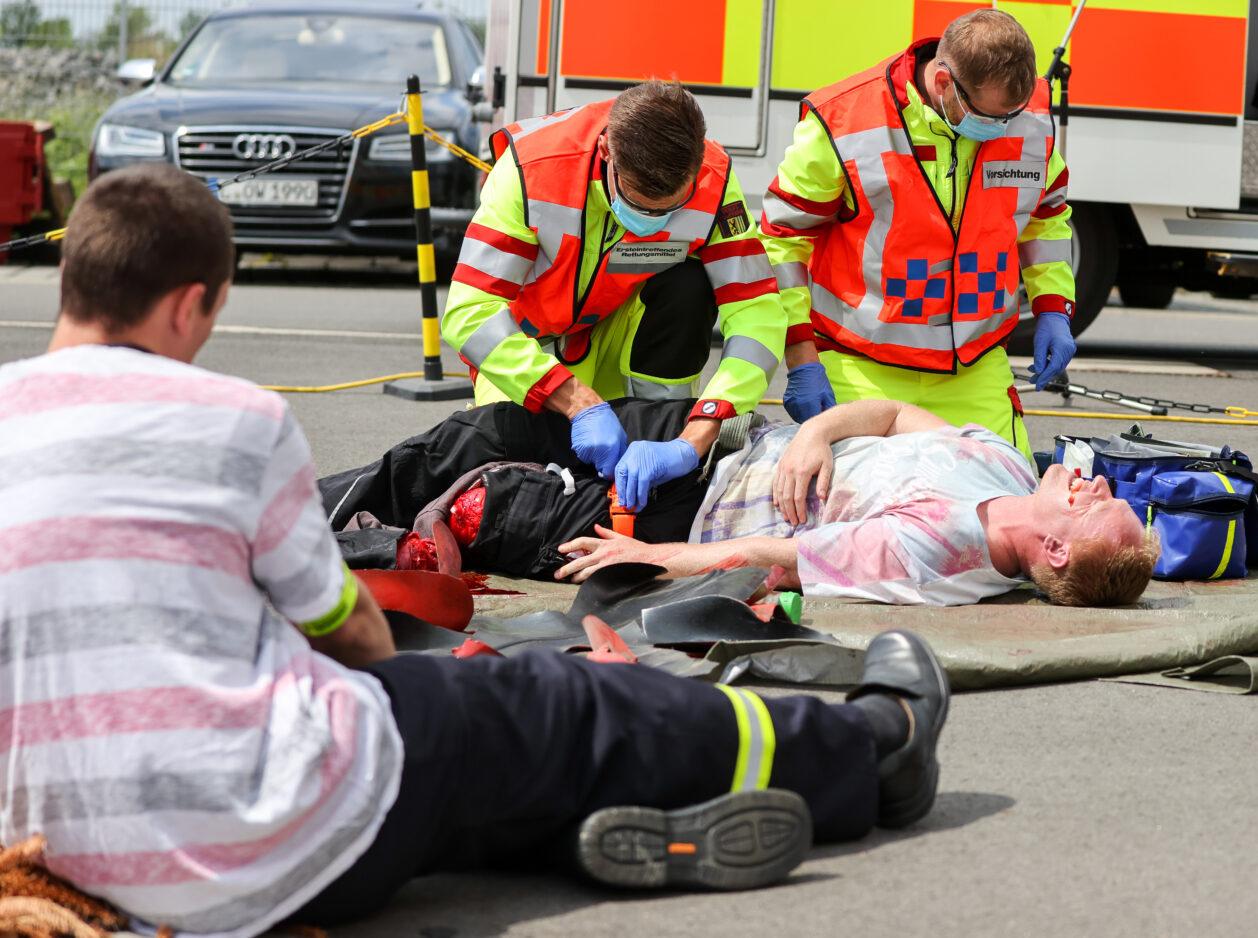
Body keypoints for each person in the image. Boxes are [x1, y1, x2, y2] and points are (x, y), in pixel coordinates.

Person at [0, 163, 952, 937]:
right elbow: (346, 630)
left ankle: (586, 830)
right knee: (545, 704)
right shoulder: (235, 421)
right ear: (190, 305)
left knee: (474, 768)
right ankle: (876, 748)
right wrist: (430, 681)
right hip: (266, 851)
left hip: (49, 848)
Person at [321, 398, 1158, 608]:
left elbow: (771, 560)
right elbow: (895, 416)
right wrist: (816, 435)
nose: (1093, 482)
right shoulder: (1007, 464)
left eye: (1093, 507)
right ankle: (299, 514)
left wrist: (649, 559)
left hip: (682, 516)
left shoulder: (936, 554)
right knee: (484, 431)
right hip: (720, 448)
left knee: (479, 508)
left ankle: (301, 539)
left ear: (1053, 552)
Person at [444, 79, 786, 512]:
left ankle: (661, 421)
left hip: (619, 337)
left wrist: (700, 431)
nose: (655, 220)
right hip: (529, 356)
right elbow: (470, 312)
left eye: (672, 207)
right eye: (641, 205)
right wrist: (578, 402)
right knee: (514, 487)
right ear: (607, 152)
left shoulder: (714, 182)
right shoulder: (532, 169)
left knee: (689, 282)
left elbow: (755, 308)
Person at [758, 9, 1077, 463]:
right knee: (861, 520)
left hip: (974, 366)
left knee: (1008, 511)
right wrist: (800, 355)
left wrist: (1053, 308)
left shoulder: (1025, 117)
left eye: (1011, 116)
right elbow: (783, 238)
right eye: (989, 117)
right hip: (862, 365)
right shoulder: (845, 121)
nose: (1002, 129)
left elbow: (1046, 216)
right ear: (944, 82)